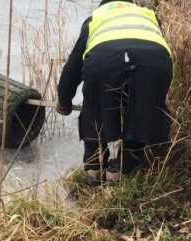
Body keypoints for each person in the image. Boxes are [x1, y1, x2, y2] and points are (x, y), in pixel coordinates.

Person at [56, 0, 173, 182]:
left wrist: (64, 101)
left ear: (103, 4)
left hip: (104, 60)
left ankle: (95, 168)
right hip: (154, 62)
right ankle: (123, 170)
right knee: (141, 109)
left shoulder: (95, 18)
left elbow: (73, 67)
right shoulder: (148, 16)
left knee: (95, 107)